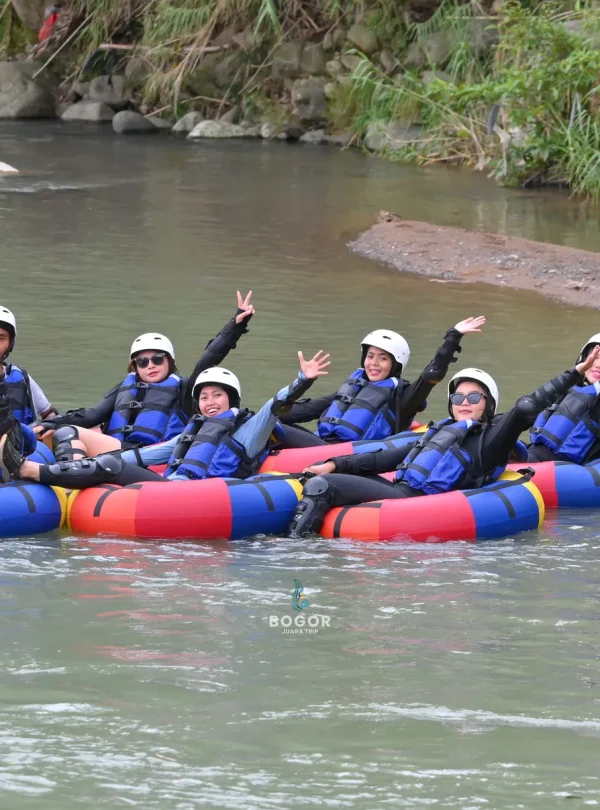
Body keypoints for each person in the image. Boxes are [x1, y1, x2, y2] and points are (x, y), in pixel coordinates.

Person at [285, 347, 600, 537]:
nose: (465, 401)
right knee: (315, 479)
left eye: (474, 396)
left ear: (488, 405)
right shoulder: (439, 432)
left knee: (322, 488)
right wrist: (334, 463)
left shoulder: (492, 438)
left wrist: (574, 374)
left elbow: (527, 406)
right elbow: (387, 457)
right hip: (399, 489)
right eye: (458, 396)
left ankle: (293, 552)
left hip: (418, 502)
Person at [0, 350, 332, 488]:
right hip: (169, 489)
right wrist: (92, 460)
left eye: (218, 395)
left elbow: (275, 406)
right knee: (116, 463)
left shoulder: (247, 431)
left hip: (203, 494)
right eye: (204, 396)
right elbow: (143, 456)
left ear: (232, 399)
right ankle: (52, 474)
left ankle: (29, 470)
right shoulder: (191, 430)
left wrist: (303, 381)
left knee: (114, 468)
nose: (209, 401)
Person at [34, 291, 256, 462]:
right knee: (54, 433)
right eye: (142, 361)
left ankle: (68, 480)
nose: (150, 365)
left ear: (169, 362)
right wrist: (48, 423)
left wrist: (235, 326)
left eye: (158, 359)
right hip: (114, 451)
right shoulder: (125, 387)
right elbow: (92, 414)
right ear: (135, 366)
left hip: (150, 456)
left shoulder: (185, 391)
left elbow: (207, 360)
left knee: (68, 433)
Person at [278, 317, 486, 448]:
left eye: (383, 358)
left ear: (395, 364)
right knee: (272, 422)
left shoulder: (403, 397)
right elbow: (304, 410)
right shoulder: (353, 388)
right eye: (370, 356)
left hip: (355, 454)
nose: (374, 363)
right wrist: (298, 385)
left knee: (273, 428)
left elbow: (432, 374)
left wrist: (454, 337)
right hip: (322, 444)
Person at [527, 333, 600, 464]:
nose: (598, 365)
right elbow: (524, 411)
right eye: (594, 358)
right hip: (535, 455)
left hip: (567, 472)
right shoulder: (567, 390)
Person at [0, 305, 57, 424]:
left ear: (11, 343)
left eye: (1, 338)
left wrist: (45, 428)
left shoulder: (20, 377)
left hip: (18, 441)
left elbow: (49, 414)